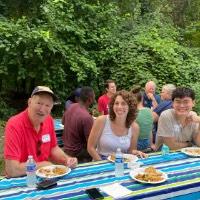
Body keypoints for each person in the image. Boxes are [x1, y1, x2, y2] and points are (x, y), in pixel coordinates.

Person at [4, 86, 77, 177]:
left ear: (51, 108)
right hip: (21, 179)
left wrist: (66, 159)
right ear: (30, 102)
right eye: (39, 103)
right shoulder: (14, 124)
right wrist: (42, 165)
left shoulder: (48, 120)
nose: (42, 109)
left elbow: (53, 149)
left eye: (47, 105)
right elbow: (12, 170)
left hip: (45, 177)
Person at [87, 90, 147, 161]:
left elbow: (131, 151)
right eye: (116, 103)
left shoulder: (134, 127)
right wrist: (102, 164)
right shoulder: (101, 121)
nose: (119, 107)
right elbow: (90, 147)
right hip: (101, 161)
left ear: (130, 107)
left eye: (123, 104)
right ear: (112, 105)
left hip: (121, 163)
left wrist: (137, 152)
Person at [62, 86, 95, 162]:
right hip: (77, 154)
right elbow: (91, 143)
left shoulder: (71, 107)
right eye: (93, 97)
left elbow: (63, 122)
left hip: (66, 149)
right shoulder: (87, 117)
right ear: (90, 99)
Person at [131, 86, 154, 151]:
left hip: (135, 144)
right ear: (142, 99)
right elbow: (150, 130)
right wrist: (151, 144)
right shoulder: (149, 111)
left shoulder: (132, 113)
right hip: (147, 143)